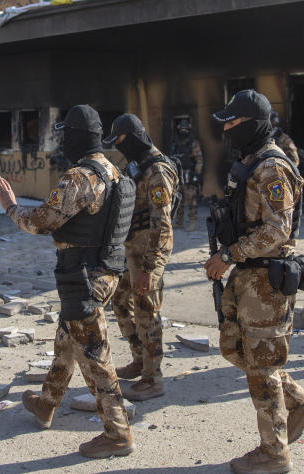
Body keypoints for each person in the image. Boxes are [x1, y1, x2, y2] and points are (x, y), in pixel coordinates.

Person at [0, 105, 135, 459]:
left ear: (75, 137)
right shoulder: (114, 172)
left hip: (84, 277)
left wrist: (11, 206)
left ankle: (118, 434)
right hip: (105, 272)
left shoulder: (80, 177)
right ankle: (46, 403)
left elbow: (41, 221)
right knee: (66, 340)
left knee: (94, 356)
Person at [203, 90, 304, 474]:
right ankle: (301, 403)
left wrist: (226, 256)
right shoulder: (249, 163)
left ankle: (274, 453)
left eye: (232, 122)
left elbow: (276, 231)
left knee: (262, 367)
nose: (226, 128)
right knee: (235, 349)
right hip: (246, 276)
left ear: (252, 124)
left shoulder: (272, 168)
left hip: (265, 281)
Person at [104, 113, 178, 401]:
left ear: (133, 137)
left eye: (121, 141)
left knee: (147, 314)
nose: (119, 147)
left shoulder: (158, 171)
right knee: (120, 302)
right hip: (130, 251)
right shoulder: (140, 165)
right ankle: (140, 359)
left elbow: (163, 224)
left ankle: (153, 378)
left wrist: (152, 267)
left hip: (147, 256)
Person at [167, 114, 203, 231]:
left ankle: (192, 221)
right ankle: (179, 222)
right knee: (179, 200)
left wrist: (196, 175)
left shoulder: (193, 143)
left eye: (185, 129)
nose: (183, 130)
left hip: (189, 174)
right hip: (178, 175)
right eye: (181, 128)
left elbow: (199, 160)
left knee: (191, 200)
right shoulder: (175, 143)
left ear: (189, 129)